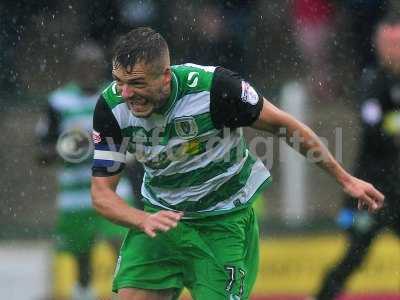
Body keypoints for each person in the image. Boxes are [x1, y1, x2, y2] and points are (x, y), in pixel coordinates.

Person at [90, 27, 384, 300]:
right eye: (120, 82)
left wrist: (345, 179)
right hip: (158, 221)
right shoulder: (111, 107)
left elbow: (286, 126)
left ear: (165, 76)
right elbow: (102, 194)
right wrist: (143, 219)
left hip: (223, 221)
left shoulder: (216, 88)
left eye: (137, 83)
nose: (126, 93)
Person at [36, 41, 137, 300]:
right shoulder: (58, 102)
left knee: (123, 249)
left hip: (113, 187)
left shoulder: (115, 95)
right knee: (82, 261)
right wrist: (70, 147)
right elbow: (42, 153)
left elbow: (134, 138)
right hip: (76, 196)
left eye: (93, 65)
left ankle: (125, 294)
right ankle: (84, 294)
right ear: (74, 68)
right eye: (83, 65)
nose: (88, 70)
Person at [313, 16, 400, 300]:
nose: (392, 49)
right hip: (372, 189)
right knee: (355, 254)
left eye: (397, 43)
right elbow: (374, 129)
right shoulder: (372, 80)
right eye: (387, 42)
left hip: (398, 189)